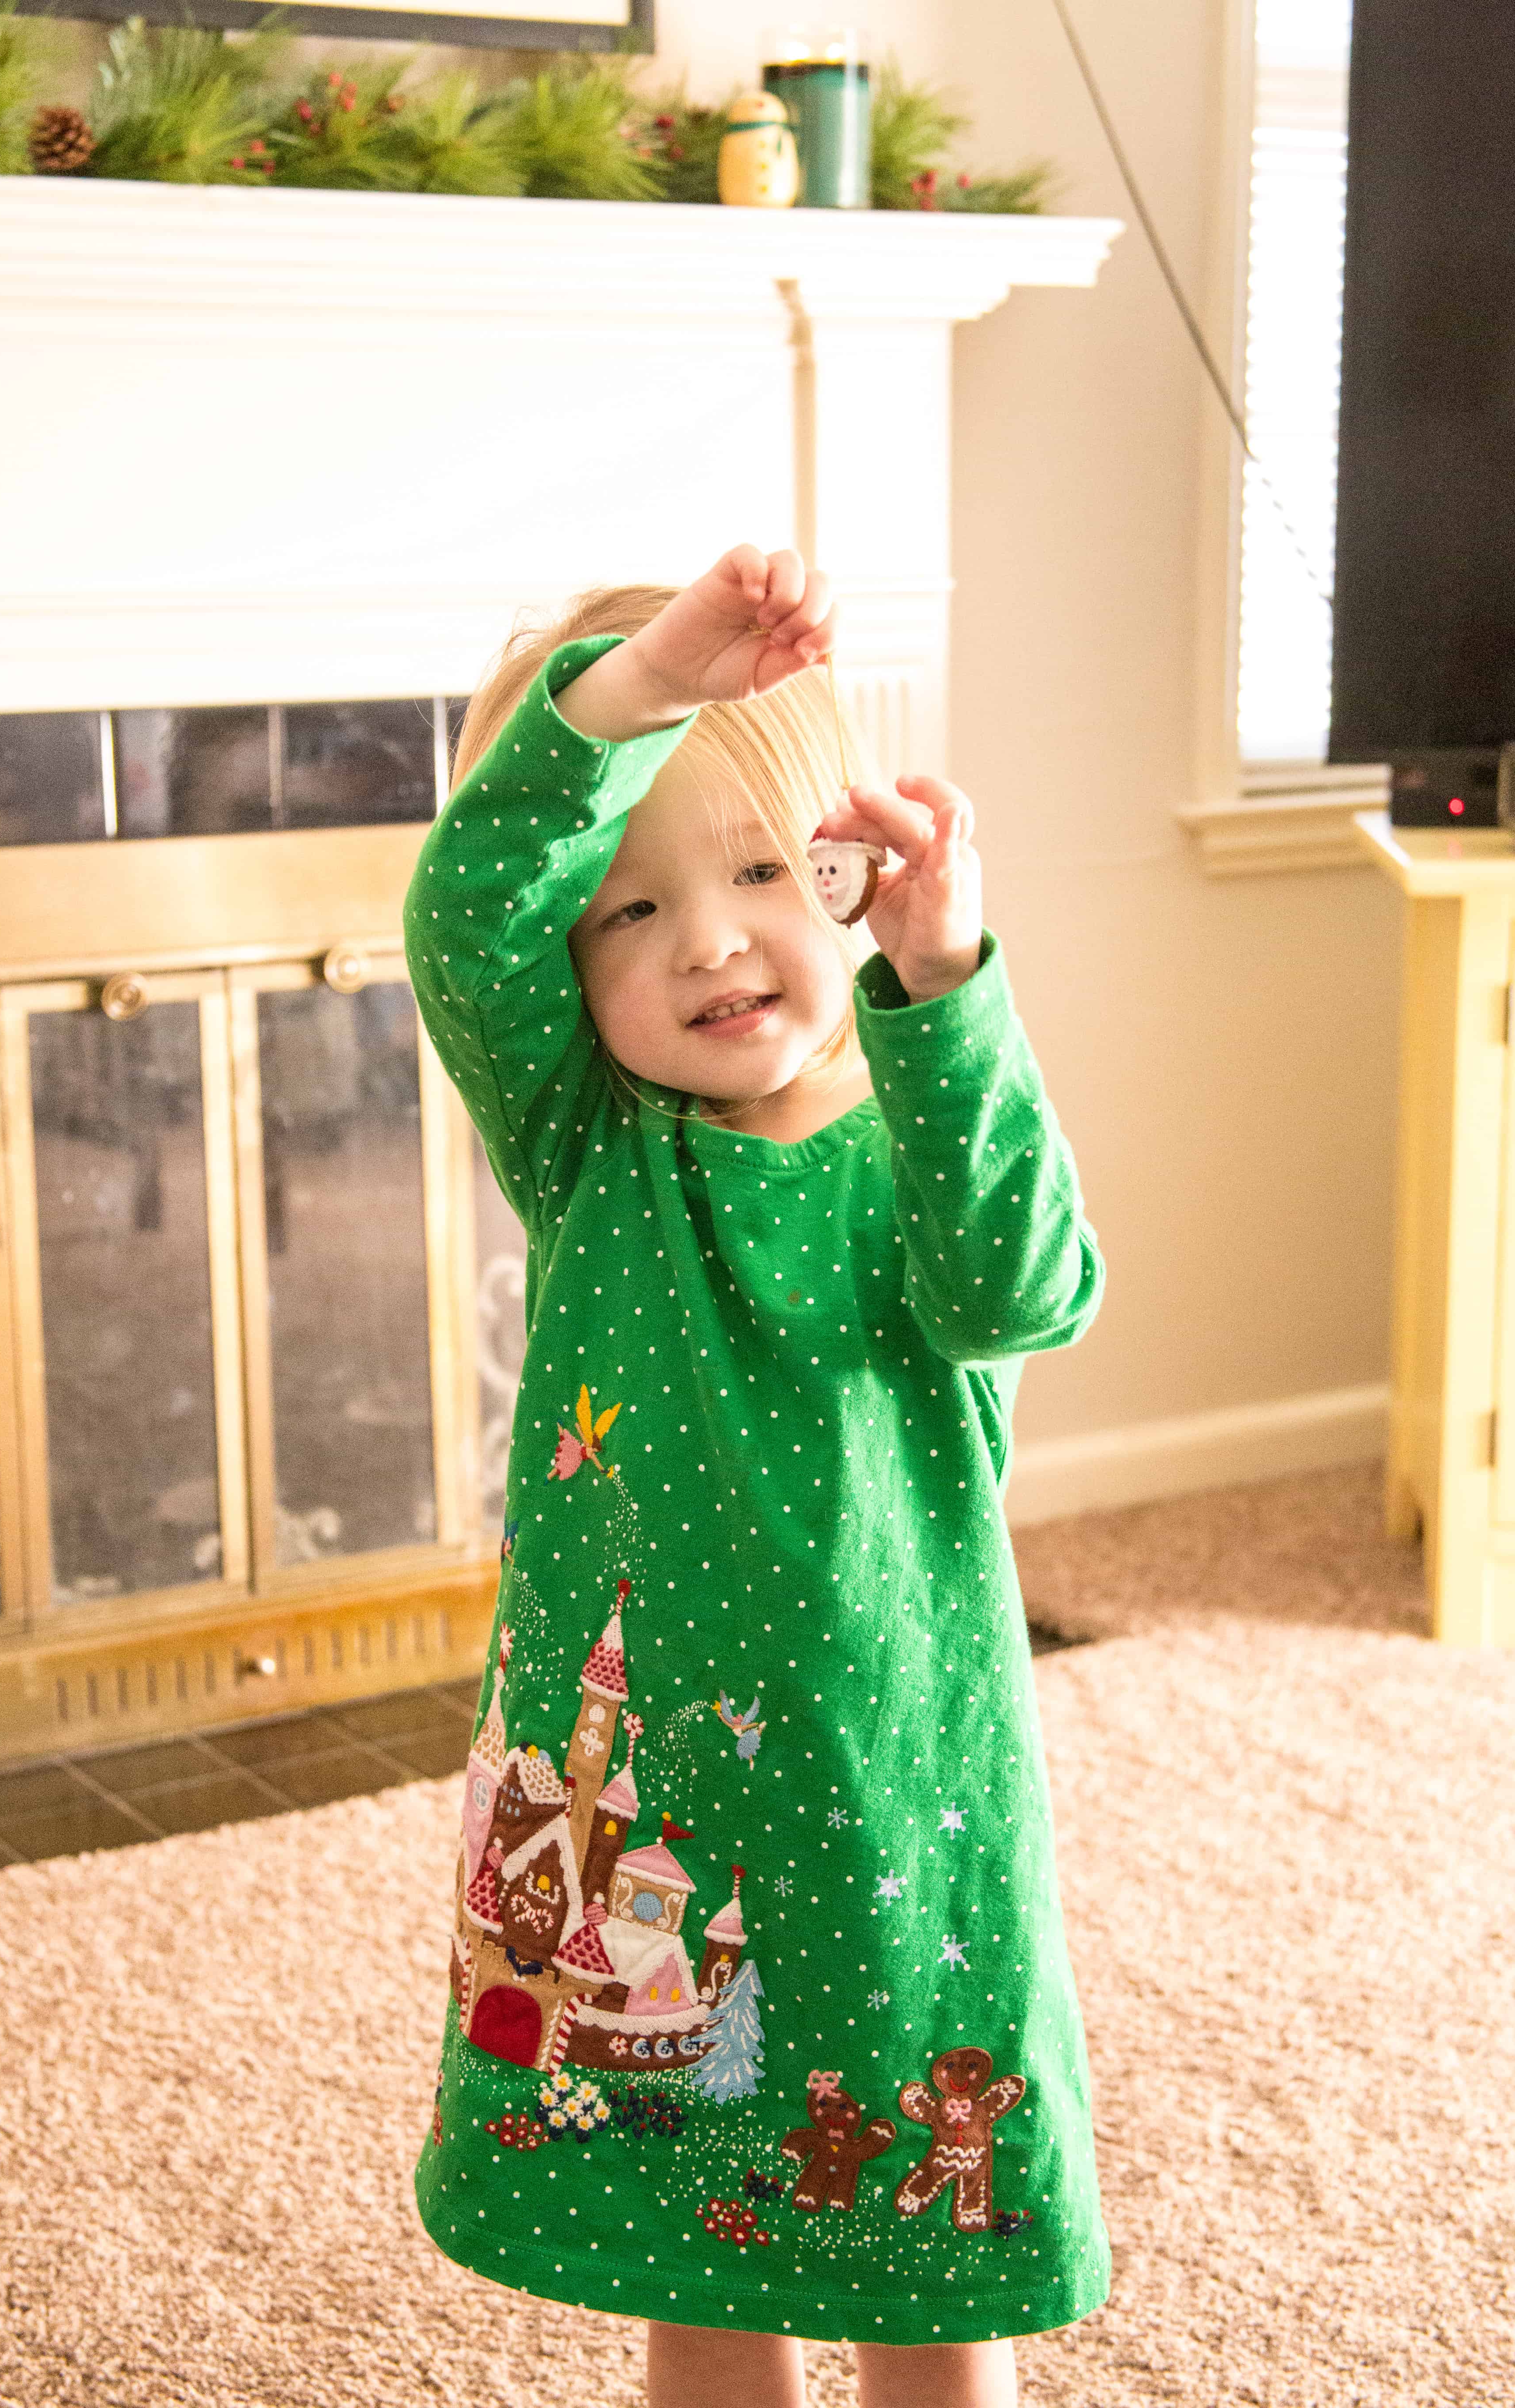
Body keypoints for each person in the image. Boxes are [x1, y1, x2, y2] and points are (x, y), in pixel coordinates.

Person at [407, 544, 1108, 2408]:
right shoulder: (588, 1146)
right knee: (693, 2233)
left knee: (926, 2249)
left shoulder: (930, 1128)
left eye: (753, 877)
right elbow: (470, 906)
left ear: (854, 872)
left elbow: (1036, 1287)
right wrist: (624, 698)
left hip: (901, 1785)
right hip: (653, 1801)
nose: (706, 942)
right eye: (627, 915)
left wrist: (948, 978)